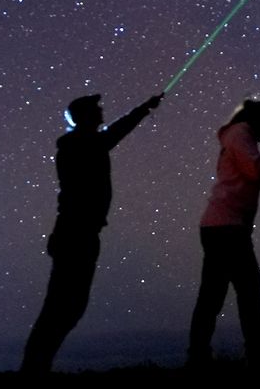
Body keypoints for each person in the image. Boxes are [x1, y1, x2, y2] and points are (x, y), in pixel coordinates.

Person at [21, 91, 163, 373]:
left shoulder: (83, 144)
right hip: (76, 233)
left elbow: (113, 133)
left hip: (78, 232)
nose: (101, 112)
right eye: (95, 109)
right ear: (84, 116)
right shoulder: (82, 145)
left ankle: (36, 366)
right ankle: (34, 368)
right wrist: (143, 109)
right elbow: (114, 133)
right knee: (64, 305)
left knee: (66, 305)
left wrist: (144, 108)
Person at [188, 98, 260, 366]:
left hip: (222, 226)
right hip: (226, 228)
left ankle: (198, 356)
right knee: (249, 294)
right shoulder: (240, 133)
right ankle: (257, 356)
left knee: (213, 296)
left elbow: (259, 178)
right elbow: (258, 174)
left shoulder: (239, 135)